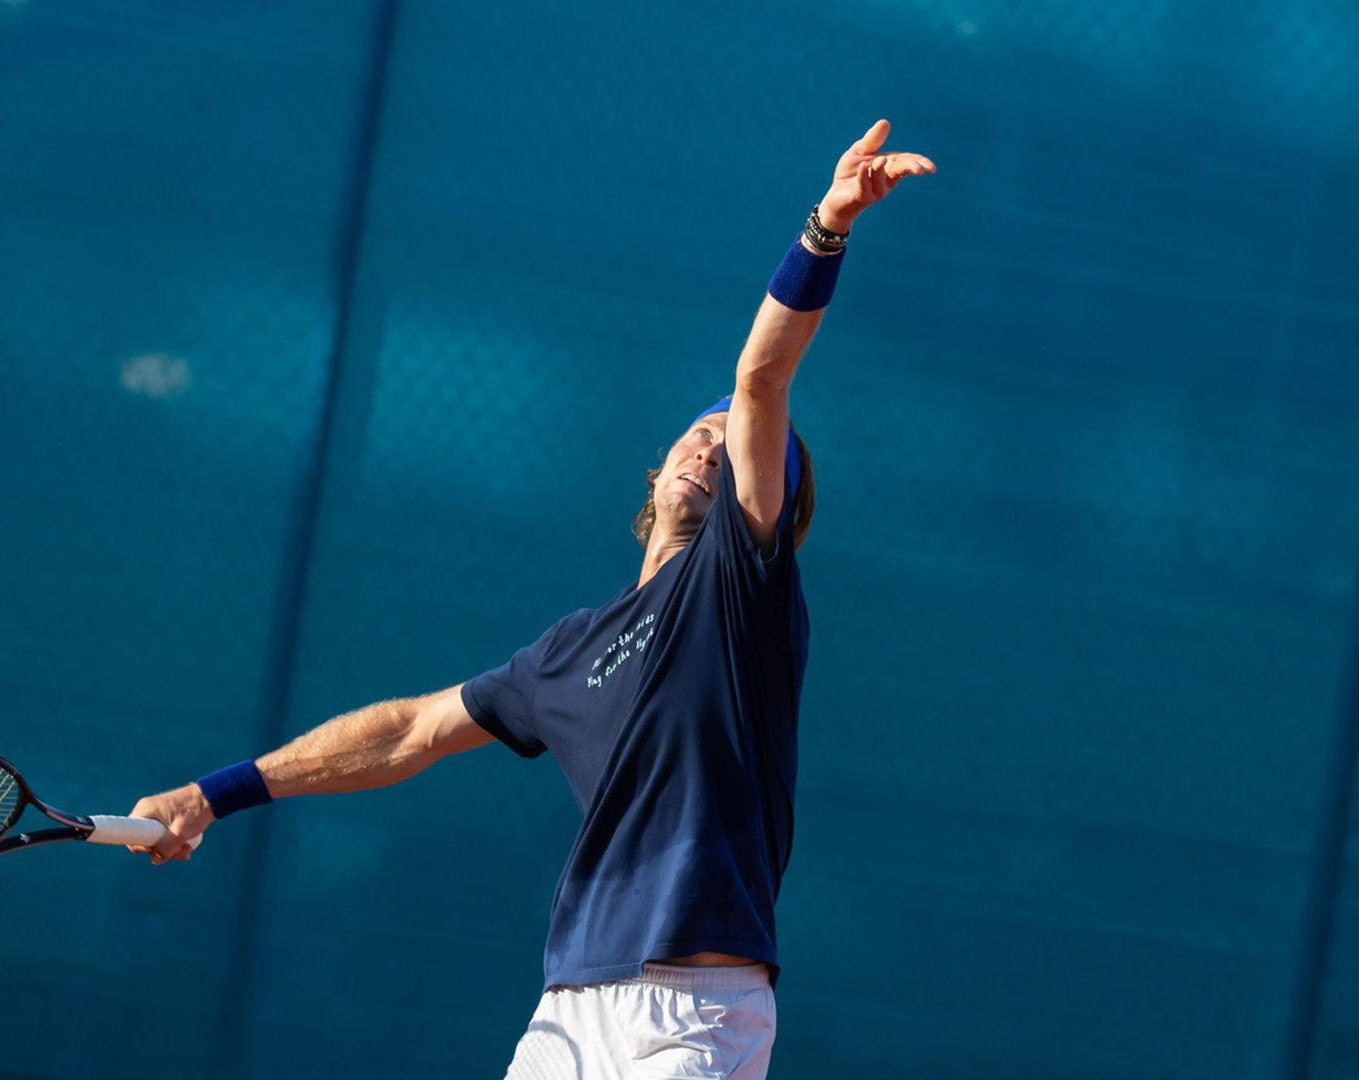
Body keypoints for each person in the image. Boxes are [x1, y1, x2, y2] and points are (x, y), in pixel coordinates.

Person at [126, 119, 935, 1079]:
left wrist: (827, 225)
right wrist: (213, 795)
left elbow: (761, 379)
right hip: (567, 1014)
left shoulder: (739, 590)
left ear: (772, 510)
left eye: (742, 446)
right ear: (660, 462)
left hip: (696, 1014)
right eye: (697, 432)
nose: (711, 445)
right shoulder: (565, 653)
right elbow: (407, 733)